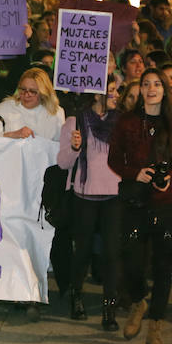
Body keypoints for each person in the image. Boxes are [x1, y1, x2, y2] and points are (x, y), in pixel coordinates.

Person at [108, 68, 172, 344]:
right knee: (131, 258)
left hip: (166, 203)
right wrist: (135, 173)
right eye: (146, 84)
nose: (151, 88)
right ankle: (138, 301)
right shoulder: (127, 122)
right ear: (140, 89)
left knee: (162, 262)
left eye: (157, 84)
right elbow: (114, 159)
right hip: (135, 201)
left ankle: (155, 325)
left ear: (165, 90)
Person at [57, 77, 121, 330]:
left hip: (114, 196)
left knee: (112, 254)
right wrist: (74, 148)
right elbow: (62, 163)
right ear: (97, 94)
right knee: (81, 251)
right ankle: (77, 296)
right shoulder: (75, 122)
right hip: (84, 196)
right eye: (112, 90)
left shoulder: (120, 122)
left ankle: (110, 309)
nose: (116, 95)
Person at [0, 68, 65, 141]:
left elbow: (61, 146)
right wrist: (12, 134)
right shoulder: (4, 108)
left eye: (33, 91)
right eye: (23, 89)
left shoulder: (56, 113)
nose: (26, 95)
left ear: (43, 92)